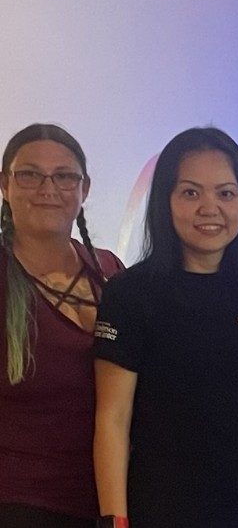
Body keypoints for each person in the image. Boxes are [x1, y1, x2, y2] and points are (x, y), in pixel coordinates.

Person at [94, 127, 238, 527]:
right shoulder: (130, 292)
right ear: (165, 201)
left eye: (226, 193)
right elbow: (113, 418)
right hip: (158, 508)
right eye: (190, 192)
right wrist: (114, 519)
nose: (209, 208)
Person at [0, 124, 123, 528]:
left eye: (64, 176)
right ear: (5, 185)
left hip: (108, 500)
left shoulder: (109, 271)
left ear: (84, 188)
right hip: (18, 502)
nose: (47, 188)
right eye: (30, 174)